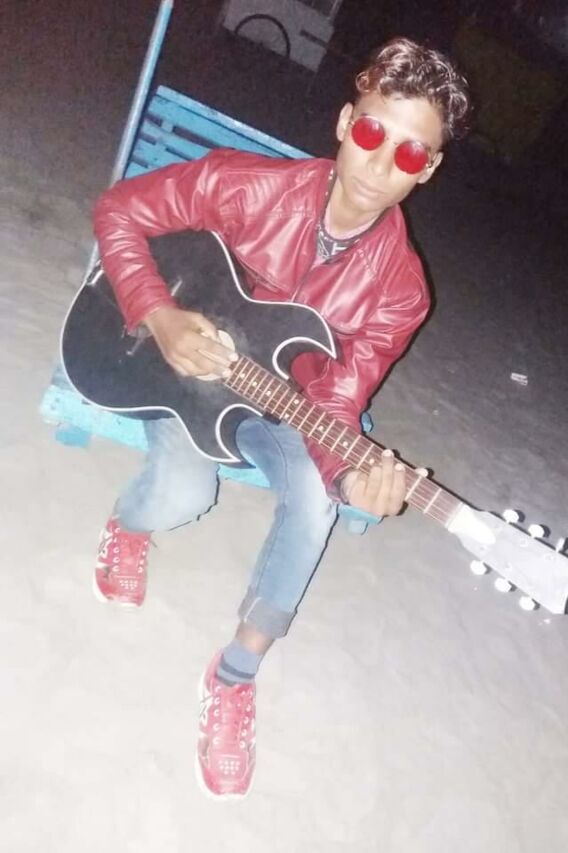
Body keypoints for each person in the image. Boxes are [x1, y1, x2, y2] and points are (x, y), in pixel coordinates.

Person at [91, 37, 471, 799]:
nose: (380, 163)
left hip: (278, 404)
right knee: (183, 494)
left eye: (408, 152)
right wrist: (159, 312)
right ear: (345, 123)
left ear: (427, 168)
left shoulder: (402, 291)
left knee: (316, 500)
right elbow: (118, 211)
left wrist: (351, 475)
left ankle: (235, 674)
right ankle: (127, 526)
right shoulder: (244, 187)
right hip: (175, 360)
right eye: (373, 132)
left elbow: (335, 402)